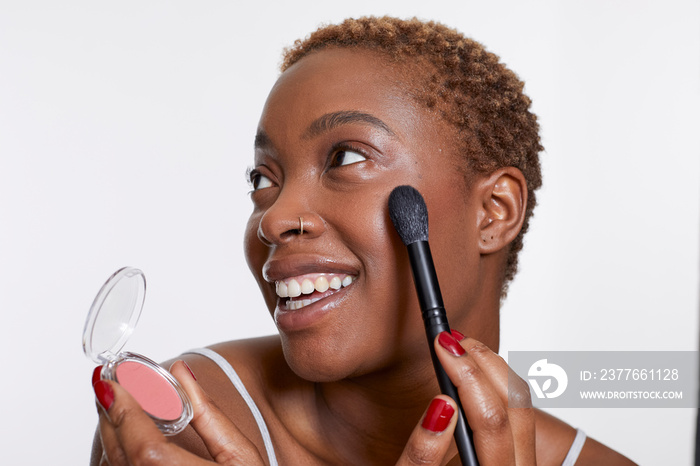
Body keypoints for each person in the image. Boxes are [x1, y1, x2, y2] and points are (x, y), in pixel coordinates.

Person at [90, 16, 635, 465]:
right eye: (263, 179)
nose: (274, 219)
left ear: (493, 212)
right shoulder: (181, 429)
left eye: (346, 158)